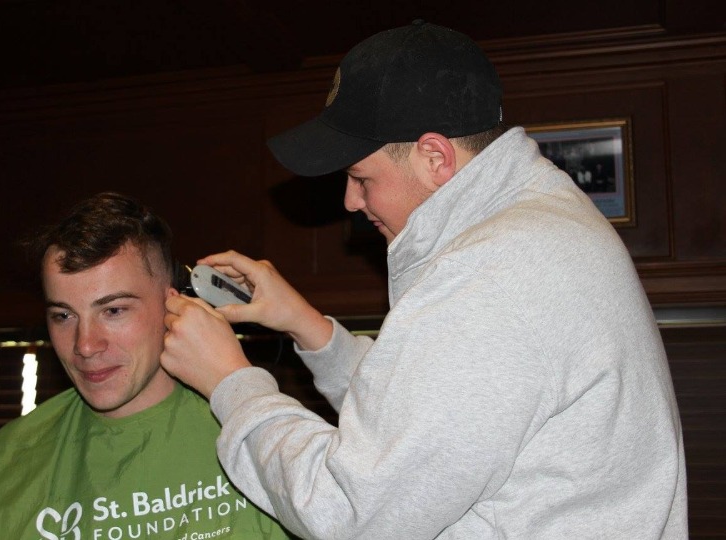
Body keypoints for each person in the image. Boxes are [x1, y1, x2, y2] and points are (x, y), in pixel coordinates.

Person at [161, 21, 688, 539]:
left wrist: (231, 381)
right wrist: (308, 327)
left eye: (361, 176)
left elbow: (347, 511)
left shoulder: (491, 275)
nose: (350, 200)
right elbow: (437, 411)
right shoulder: (543, 219)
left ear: (434, 156)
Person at [0, 192, 293, 539]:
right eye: (63, 315)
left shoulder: (259, 439)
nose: (85, 346)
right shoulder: (10, 455)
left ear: (174, 304)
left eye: (113, 311)